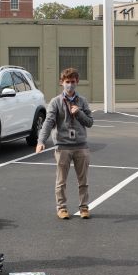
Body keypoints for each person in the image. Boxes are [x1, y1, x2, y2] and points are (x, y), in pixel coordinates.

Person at [36, 67, 94, 219]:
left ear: (77, 82)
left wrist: (79, 113)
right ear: (61, 83)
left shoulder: (82, 101)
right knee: (61, 181)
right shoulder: (55, 102)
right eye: (67, 82)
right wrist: (41, 141)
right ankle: (61, 208)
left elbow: (89, 122)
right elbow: (48, 123)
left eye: (73, 82)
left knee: (83, 181)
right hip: (63, 147)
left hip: (81, 146)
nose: (70, 85)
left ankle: (84, 207)